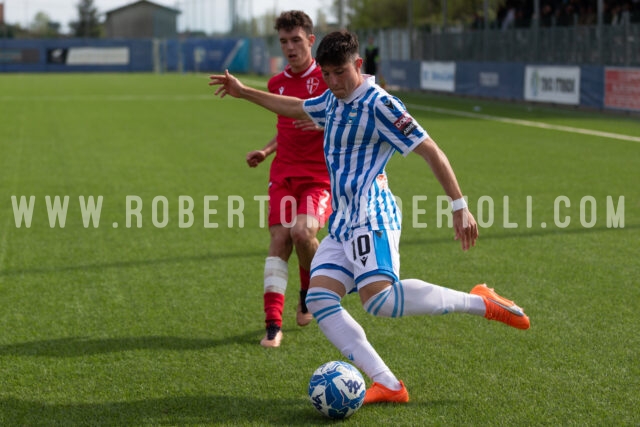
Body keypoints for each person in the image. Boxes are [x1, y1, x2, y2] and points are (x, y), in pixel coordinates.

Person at [209, 30, 530, 404]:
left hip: (372, 214)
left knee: (379, 301)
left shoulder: (381, 104)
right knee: (320, 300)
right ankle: (389, 385)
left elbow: (430, 150)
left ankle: (481, 301)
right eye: (327, 74)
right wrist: (243, 91)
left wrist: (460, 207)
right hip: (344, 221)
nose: (333, 82)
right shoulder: (331, 100)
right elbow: (296, 107)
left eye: (340, 72)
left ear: (358, 65)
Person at [245, 11, 331, 348]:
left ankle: (308, 293)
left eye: (296, 40)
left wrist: (324, 125)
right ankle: (272, 325)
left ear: (311, 40)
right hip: (282, 174)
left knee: (302, 232)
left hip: (319, 178)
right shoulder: (276, 84)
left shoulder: (328, 79)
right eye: (284, 41)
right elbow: (286, 128)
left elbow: (349, 119)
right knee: (280, 238)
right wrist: (266, 151)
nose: (290, 47)